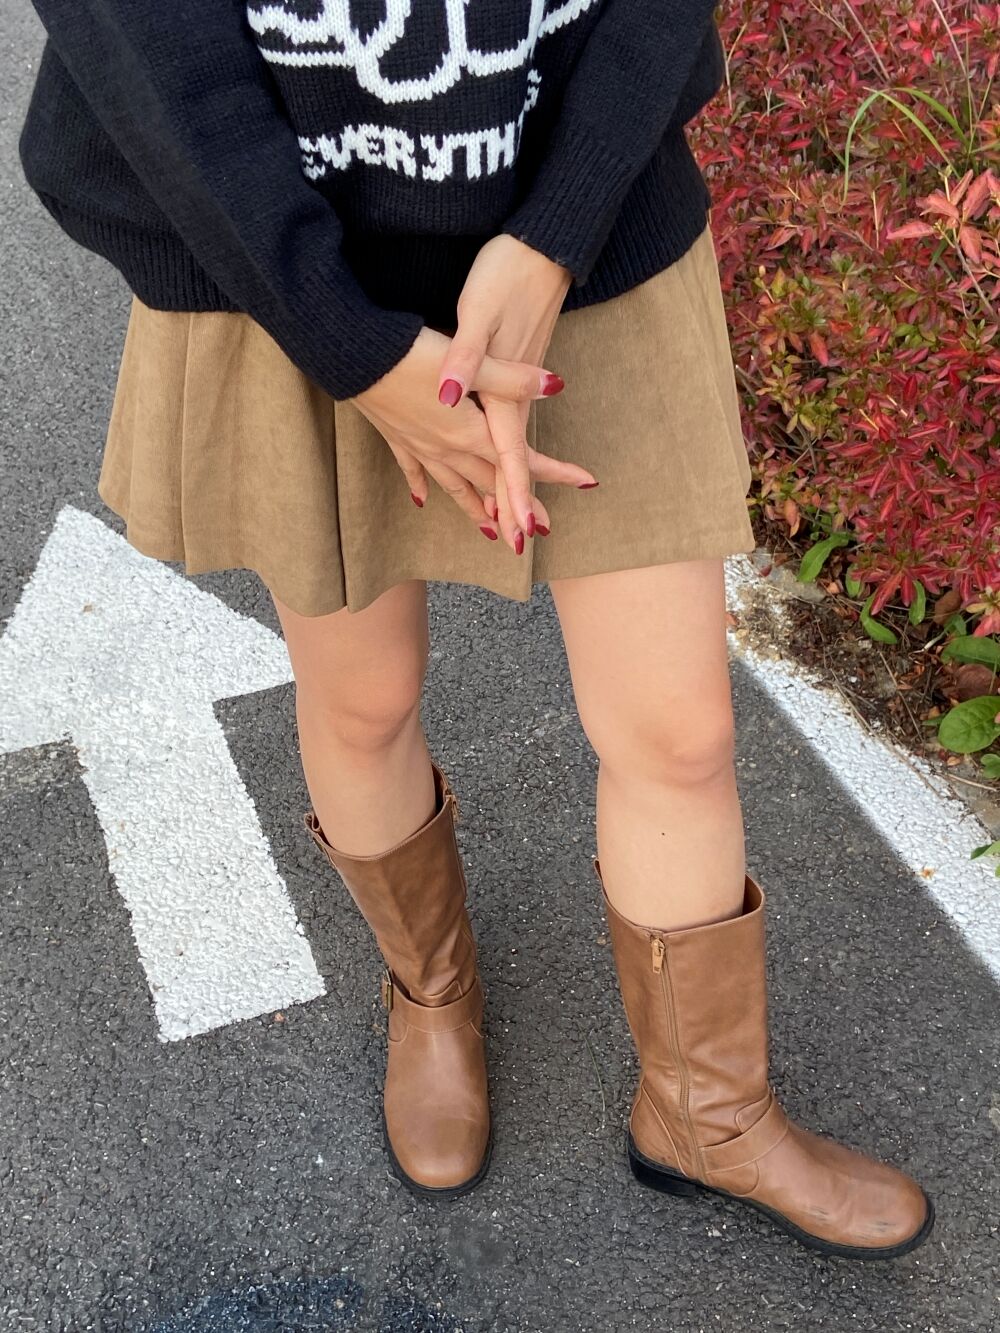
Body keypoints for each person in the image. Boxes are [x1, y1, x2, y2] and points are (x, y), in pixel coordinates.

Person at [19, 0, 933, 1259]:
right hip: (281, 267)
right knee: (363, 698)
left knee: (677, 730)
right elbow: (139, 42)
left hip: (587, 233)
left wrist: (555, 234)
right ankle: (433, 996)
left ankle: (707, 1114)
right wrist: (350, 345)